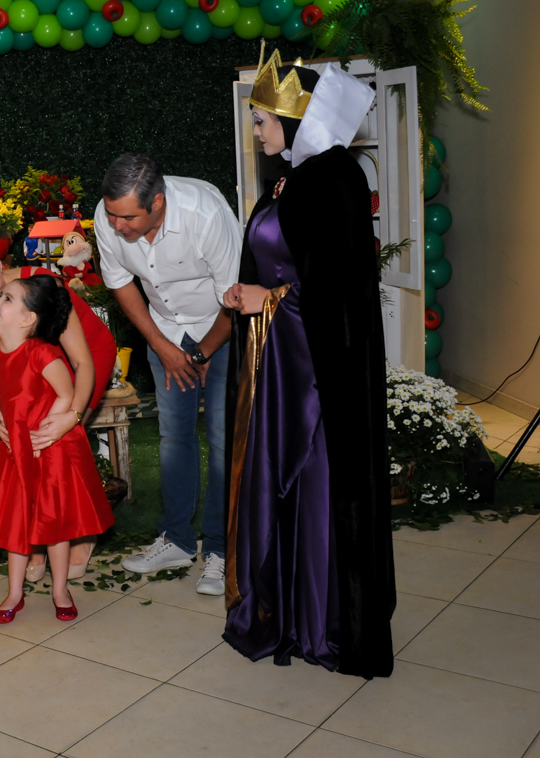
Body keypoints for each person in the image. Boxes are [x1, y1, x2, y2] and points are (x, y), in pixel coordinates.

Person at [221, 50, 394, 678]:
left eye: (265, 120)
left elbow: (339, 290)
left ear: (297, 121)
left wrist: (274, 297)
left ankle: (325, 620)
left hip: (318, 375)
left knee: (319, 481)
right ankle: (285, 611)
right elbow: (283, 260)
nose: (258, 131)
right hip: (280, 360)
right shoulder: (291, 178)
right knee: (280, 481)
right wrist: (252, 292)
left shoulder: (335, 178)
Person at [95, 153, 240, 596]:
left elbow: (236, 297)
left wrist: (204, 350)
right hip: (165, 333)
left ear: (158, 203)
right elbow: (120, 283)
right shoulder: (109, 214)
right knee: (173, 435)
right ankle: (176, 539)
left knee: (221, 440)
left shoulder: (206, 213)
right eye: (112, 215)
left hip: (224, 328)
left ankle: (219, 550)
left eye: (128, 217)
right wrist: (162, 346)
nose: (117, 225)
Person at [0, 235, 117, 580]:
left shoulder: (42, 284)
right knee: (27, 447)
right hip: (29, 370)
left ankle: (82, 530)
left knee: (63, 444)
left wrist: (72, 415)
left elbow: (81, 362)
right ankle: (36, 541)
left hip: (80, 359)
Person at [0, 275, 116, 623]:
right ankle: (14, 592)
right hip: (15, 452)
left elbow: (66, 394)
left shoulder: (42, 353)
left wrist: (44, 434)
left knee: (55, 523)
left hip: (50, 449)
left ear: (27, 320)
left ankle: (60, 589)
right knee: (16, 524)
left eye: (6, 298)